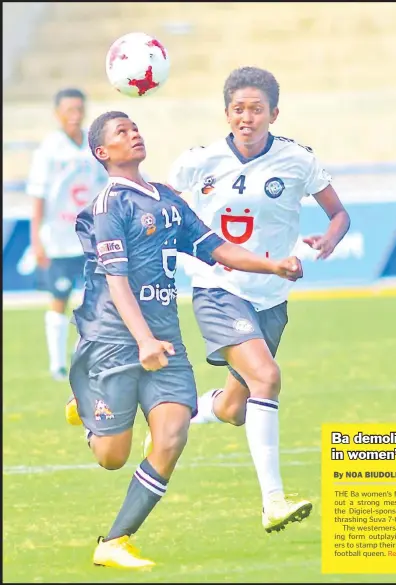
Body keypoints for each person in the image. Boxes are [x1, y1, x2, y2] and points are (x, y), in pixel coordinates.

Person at [64, 110, 303, 568]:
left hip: (165, 340)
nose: (134, 134)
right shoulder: (110, 205)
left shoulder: (168, 200)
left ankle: (114, 541)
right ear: (102, 152)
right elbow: (117, 281)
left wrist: (272, 265)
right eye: (121, 132)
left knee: (172, 434)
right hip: (115, 340)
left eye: (135, 127)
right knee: (112, 457)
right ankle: (87, 396)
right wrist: (143, 342)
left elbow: (216, 248)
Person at [148, 66, 350, 534]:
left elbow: (338, 213)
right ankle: (273, 501)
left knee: (236, 408)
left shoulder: (298, 161)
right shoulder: (198, 161)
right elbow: (163, 215)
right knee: (268, 376)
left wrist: (330, 239)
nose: (247, 117)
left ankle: (185, 411)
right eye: (238, 109)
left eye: (256, 109)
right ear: (226, 113)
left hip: (270, 295)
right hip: (218, 288)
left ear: (274, 114)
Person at [27, 88, 109, 381]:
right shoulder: (49, 150)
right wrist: (36, 239)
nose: (74, 116)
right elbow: (38, 197)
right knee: (59, 297)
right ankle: (56, 364)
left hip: (91, 238)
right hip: (59, 240)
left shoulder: (93, 145)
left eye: (79, 109)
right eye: (68, 110)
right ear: (57, 113)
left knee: (95, 302)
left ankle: (83, 358)